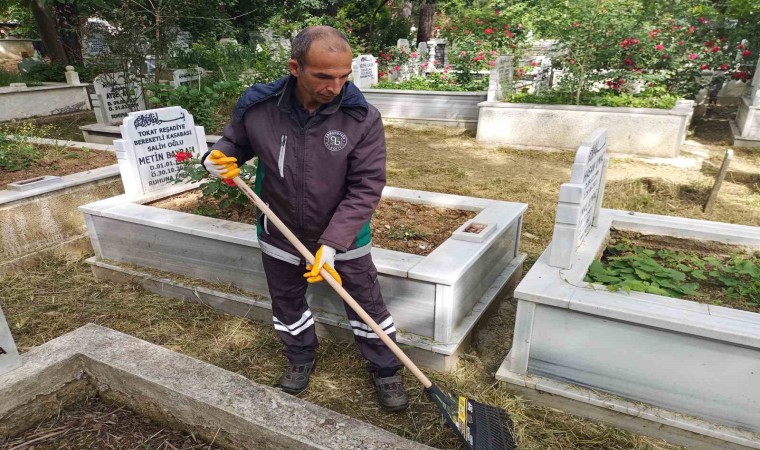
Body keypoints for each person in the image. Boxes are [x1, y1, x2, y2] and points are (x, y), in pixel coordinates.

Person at [201, 26, 408, 411]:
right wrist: (216, 158)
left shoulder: (360, 117)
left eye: (344, 76)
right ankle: (299, 357)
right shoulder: (259, 106)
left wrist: (332, 243)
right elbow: (234, 142)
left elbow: (367, 186)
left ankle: (386, 369)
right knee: (287, 302)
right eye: (324, 76)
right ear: (295, 67)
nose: (336, 86)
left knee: (366, 304)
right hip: (278, 231)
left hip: (344, 239)